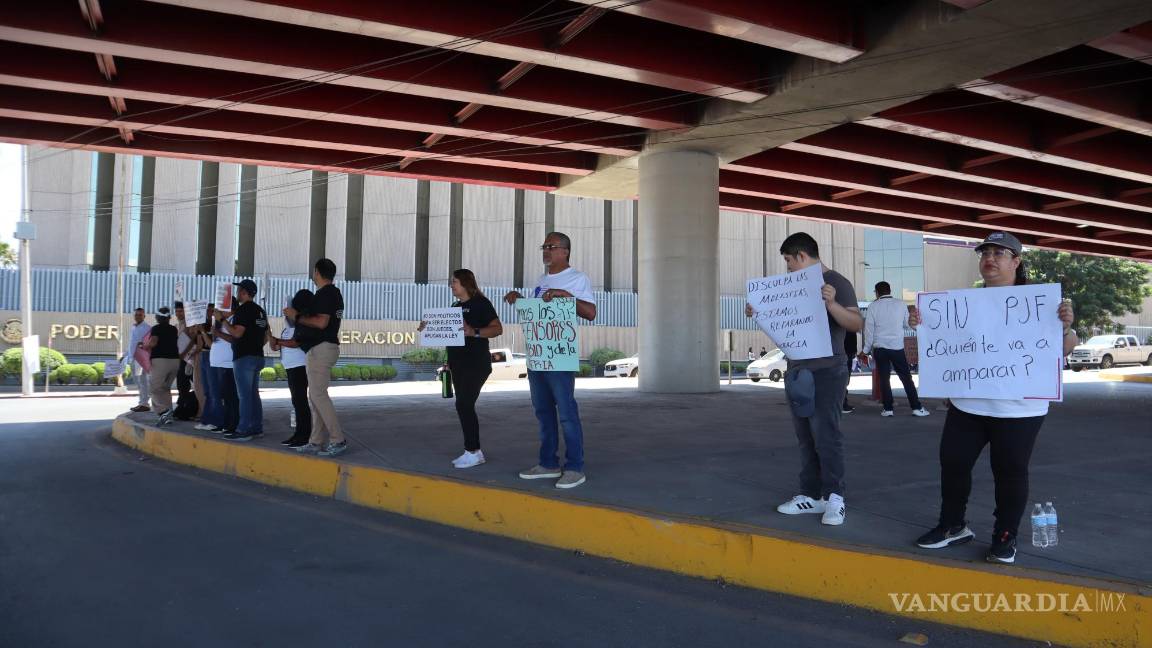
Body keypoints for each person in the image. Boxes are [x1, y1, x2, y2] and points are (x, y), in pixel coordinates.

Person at [912, 231, 1077, 564]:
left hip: (1020, 409)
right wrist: (923, 323)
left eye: (1000, 253)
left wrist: (1066, 327)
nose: (990, 258)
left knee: (1010, 471)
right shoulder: (962, 305)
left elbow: (1065, 347)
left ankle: (1005, 536)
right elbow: (950, 348)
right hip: (969, 403)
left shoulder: (1041, 303)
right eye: (985, 253)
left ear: (1016, 261)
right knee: (954, 462)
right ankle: (952, 525)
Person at [747, 232, 862, 526]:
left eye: (788, 261)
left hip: (828, 370)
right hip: (798, 371)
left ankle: (835, 497)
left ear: (801, 256)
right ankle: (810, 494)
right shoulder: (792, 288)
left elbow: (856, 324)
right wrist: (759, 312)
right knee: (805, 437)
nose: (787, 268)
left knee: (827, 435)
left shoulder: (837, 283)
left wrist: (832, 304)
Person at [504, 232, 597, 489]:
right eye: (543, 246)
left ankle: (575, 467)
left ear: (565, 251)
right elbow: (541, 315)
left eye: (551, 246)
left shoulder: (577, 279)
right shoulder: (541, 280)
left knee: (566, 413)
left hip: (560, 358)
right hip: (537, 358)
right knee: (543, 412)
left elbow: (590, 312)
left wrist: (565, 295)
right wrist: (520, 300)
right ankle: (548, 463)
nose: (545, 250)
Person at [420, 269, 503, 469]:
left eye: (454, 281)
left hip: (476, 363)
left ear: (466, 283)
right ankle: (472, 451)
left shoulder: (481, 304)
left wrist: (473, 331)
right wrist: (428, 328)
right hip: (458, 364)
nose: (451, 285)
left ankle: (473, 451)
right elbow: (450, 336)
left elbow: (497, 328)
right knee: (463, 405)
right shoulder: (455, 306)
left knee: (464, 405)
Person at [290, 258, 347, 457]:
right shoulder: (333, 294)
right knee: (315, 396)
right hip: (323, 348)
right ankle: (316, 441)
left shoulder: (326, 294)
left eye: (314, 272)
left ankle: (337, 439)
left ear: (317, 272)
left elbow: (321, 323)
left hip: (321, 349)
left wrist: (296, 316)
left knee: (318, 395)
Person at [860, 281, 930, 418]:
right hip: (897, 348)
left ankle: (888, 409)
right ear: (890, 290)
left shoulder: (873, 306)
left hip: (880, 348)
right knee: (906, 378)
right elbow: (907, 325)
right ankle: (916, 407)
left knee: (884, 379)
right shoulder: (901, 304)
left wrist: (865, 349)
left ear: (877, 292)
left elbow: (869, 331)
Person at [214, 279, 268, 441]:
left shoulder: (243, 310)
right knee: (253, 394)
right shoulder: (260, 311)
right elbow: (265, 336)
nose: (237, 293)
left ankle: (243, 429)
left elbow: (237, 334)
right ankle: (256, 427)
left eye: (239, 290)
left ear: (244, 292)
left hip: (244, 358)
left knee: (244, 396)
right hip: (257, 356)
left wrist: (222, 320)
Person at [270, 289, 314, 448]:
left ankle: (305, 435)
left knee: (300, 401)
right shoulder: (288, 326)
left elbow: (296, 343)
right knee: (296, 401)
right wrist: (271, 337)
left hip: (299, 366)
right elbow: (276, 345)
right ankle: (298, 434)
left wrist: (278, 341)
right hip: (291, 366)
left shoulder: (302, 323)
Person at [202, 309, 239, 434]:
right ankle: (224, 423)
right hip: (217, 362)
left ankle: (232, 424)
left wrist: (218, 332)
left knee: (230, 397)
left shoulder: (233, 320)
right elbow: (213, 343)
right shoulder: (219, 321)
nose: (221, 311)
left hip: (227, 363)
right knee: (221, 395)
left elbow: (235, 338)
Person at [143, 306, 180, 425]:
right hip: (175, 361)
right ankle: (168, 415)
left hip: (160, 361)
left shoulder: (156, 328)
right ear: (169, 317)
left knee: (154, 388)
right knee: (165, 389)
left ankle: (163, 410)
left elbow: (153, 342)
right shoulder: (174, 329)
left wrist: (144, 346)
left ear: (158, 317)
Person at [127, 307, 151, 412]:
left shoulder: (147, 328)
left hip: (141, 358)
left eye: (140, 315)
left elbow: (148, 343)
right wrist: (126, 355)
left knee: (142, 381)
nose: (138, 316)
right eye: (136, 315)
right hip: (133, 357)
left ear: (144, 316)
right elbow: (132, 343)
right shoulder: (134, 327)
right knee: (138, 381)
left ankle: (144, 403)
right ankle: (142, 402)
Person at [842, 330, 857, 414]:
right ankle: (842, 403)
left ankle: (843, 402)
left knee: (845, 379)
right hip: (845, 350)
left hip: (847, 350)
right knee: (844, 379)